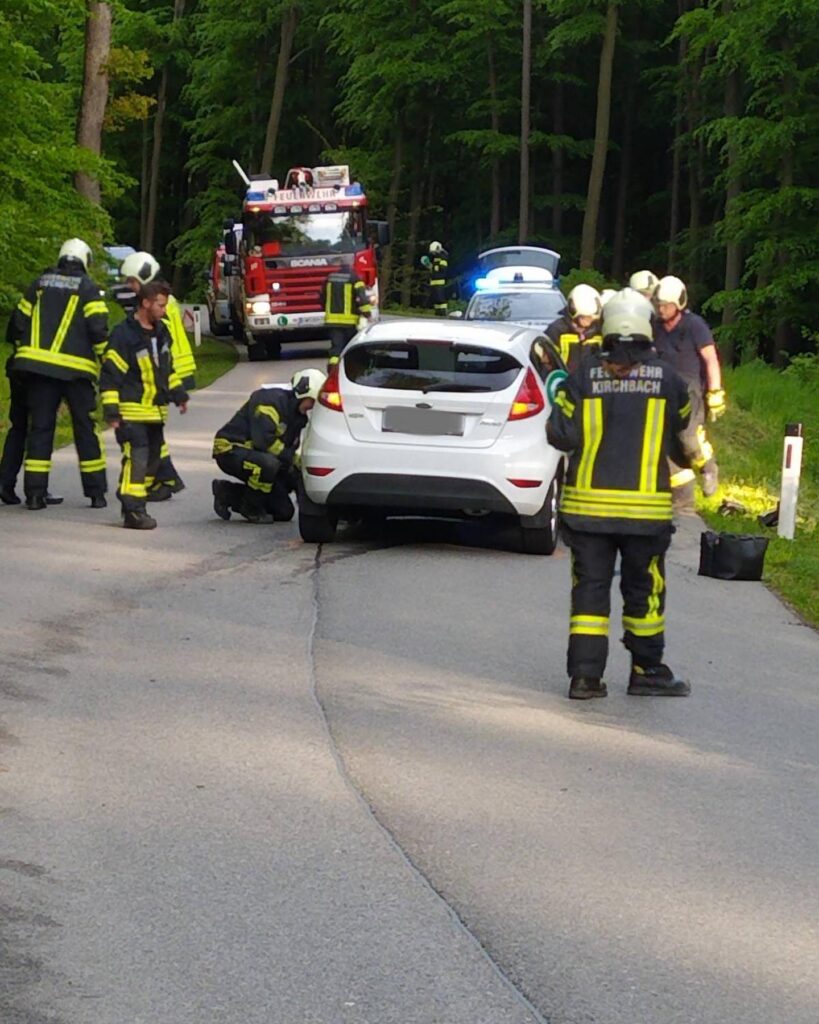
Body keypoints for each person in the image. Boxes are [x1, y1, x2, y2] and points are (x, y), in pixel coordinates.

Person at [546, 290, 695, 700]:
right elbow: (684, 436)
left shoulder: (580, 378)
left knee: (590, 589)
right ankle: (648, 670)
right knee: (644, 589)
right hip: (645, 514)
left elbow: (560, 435)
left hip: (587, 512)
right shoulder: (669, 380)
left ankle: (585, 678)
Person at [11, 238, 108, 510]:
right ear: (85, 261)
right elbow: (98, 332)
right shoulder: (88, 288)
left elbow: (18, 323)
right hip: (77, 373)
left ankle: (34, 495)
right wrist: (108, 364)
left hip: (38, 371)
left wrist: (23, 353)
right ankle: (96, 493)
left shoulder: (39, 283)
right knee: (85, 430)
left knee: (40, 430)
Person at [100, 281, 189, 530]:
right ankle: (133, 509)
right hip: (131, 411)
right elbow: (110, 376)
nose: (164, 310)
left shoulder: (162, 333)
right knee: (137, 458)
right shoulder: (123, 335)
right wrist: (111, 411)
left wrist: (179, 394)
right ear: (145, 303)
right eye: (160, 305)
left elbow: (166, 369)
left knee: (152, 461)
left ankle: (131, 497)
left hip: (155, 412)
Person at [119, 251, 197, 498]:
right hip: (171, 372)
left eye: (133, 281)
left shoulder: (162, 305)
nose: (131, 286)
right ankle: (164, 478)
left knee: (152, 430)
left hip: (169, 374)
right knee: (154, 430)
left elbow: (160, 345)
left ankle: (163, 479)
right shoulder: (165, 301)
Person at [211, 368, 326, 524]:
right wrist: (291, 459)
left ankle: (227, 493)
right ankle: (250, 508)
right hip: (230, 449)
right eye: (312, 401)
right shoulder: (270, 401)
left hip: (259, 455)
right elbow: (264, 441)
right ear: (303, 392)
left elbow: (288, 451)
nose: (312, 407)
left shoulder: (297, 417)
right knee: (269, 465)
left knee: (284, 512)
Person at [651, 275, 725, 505]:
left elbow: (711, 359)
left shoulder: (694, 326)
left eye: (666, 305)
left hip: (689, 389)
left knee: (688, 437)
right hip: (662, 388)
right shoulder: (654, 326)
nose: (662, 310)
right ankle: (682, 493)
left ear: (679, 303)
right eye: (659, 305)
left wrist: (715, 393)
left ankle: (709, 468)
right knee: (667, 441)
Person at [0, 319, 64, 506]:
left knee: (18, 428)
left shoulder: (28, 302)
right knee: (40, 430)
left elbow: (12, 333)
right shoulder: (58, 306)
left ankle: (5, 482)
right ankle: (37, 490)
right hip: (43, 374)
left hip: (19, 368)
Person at [544, 283, 603, 372]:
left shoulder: (600, 331)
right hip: (564, 382)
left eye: (590, 318)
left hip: (592, 381)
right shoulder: (556, 331)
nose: (586, 324)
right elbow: (545, 363)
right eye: (582, 318)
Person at [322, 269, 372, 369]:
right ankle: (352, 369)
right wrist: (367, 313)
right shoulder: (355, 279)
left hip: (332, 321)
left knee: (336, 349)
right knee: (351, 348)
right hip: (349, 322)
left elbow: (322, 297)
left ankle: (333, 369)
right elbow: (362, 298)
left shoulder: (329, 279)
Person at [421, 241, 449, 316]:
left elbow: (442, 269)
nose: (433, 253)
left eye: (434, 252)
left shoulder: (443, 256)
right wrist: (430, 266)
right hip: (434, 281)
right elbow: (434, 269)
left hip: (440, 281)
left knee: (440, 298)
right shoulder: (436, 257)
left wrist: (432, 267)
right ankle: (438, 313)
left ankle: (443, 313)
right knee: (436, 299)